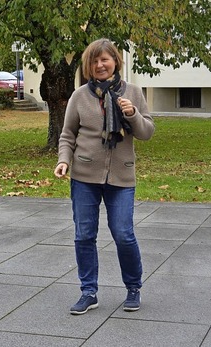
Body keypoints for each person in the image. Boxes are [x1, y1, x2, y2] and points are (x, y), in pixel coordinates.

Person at [54, 38, 155, 315]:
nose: (100, 65)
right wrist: (64, 161)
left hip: (121, 175)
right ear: (88, 66)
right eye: (95, 61)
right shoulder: (79, 96)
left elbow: (146, 132)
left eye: (105, 59)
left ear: (115, 61)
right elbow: (68, 135)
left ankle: (133, 287)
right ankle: (89, 291)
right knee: (84, 234)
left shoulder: (132, 92)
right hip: (84, 175)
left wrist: (132, 114)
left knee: (123, 233)